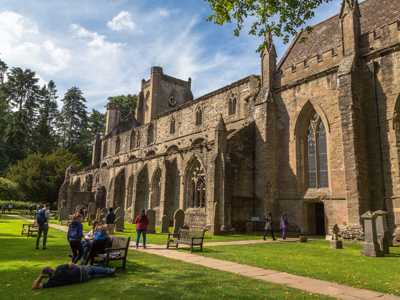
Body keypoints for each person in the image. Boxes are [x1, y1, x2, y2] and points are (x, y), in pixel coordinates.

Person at [32, 263, 115, 289]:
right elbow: (71, 265)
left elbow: (34, 287)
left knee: (93, 275)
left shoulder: (51, 282)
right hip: (81, 271)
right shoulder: (59, 268)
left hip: (81, 279)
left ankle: (106, 274)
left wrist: (41, 277)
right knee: (91, 268)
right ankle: (109, 271)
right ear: (51, 269)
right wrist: (78, 266)